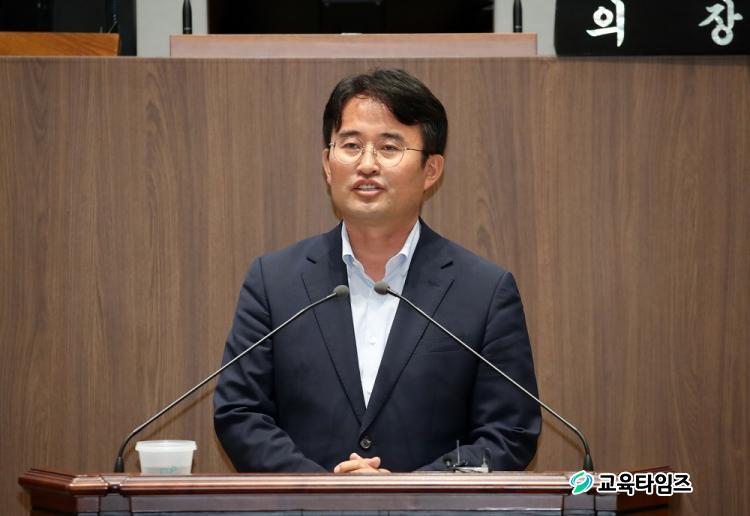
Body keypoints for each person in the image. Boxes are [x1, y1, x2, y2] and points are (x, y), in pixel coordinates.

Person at [213, 68, 541, 474]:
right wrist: (323, 491)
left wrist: (410, 493)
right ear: (328, 164)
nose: (367, 164)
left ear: (431, 170)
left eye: (389, 147)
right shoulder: (273, 282)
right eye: (351, 145)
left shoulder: (484, 291)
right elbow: (239, 413)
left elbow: (510, 433)